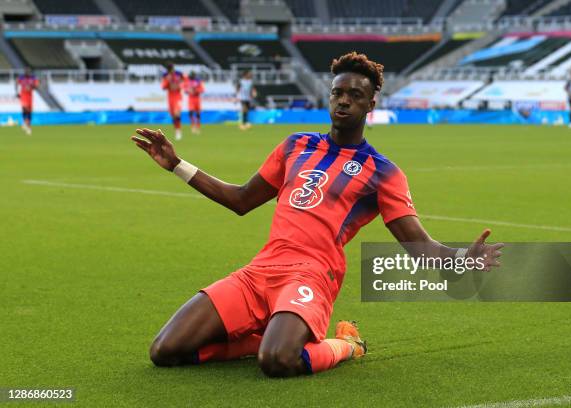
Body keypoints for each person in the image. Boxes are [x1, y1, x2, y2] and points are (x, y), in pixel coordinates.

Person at [131, 52, 503, 378]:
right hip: (262, 269)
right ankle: (258, 339)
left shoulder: (383, 172)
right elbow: (241, 199)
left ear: (370, 105)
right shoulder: (296, 145)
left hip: (312, 274)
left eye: (354, 96)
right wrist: (177, 165)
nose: (343, 102)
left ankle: (346, 345)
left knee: (277, 361)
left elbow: (418, 244)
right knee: (165, 351)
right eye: (337, 93)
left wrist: (461, 259)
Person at [161, 63, 185, 140]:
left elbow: (185, 81)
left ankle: (178, 131)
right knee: (173, 116)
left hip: (178, 96)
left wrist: (181, 85)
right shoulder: (166, 76)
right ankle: (177, 130)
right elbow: (163, 87)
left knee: (177, 113)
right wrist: (168, 81)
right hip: (170, 97)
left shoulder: (179, 74)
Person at [15, 67, 39, 135]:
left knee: (29, 111)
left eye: (29, 71)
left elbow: (37, 86)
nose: (27, 72)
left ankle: (28, 126)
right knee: (24, 108)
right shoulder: (21, 77)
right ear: (25, 72)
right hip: (23, 95)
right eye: (26, 71)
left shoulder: (33, 78)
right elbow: (16, 83)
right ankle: (25, 123)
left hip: (30, 96)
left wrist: (31, 87)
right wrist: (16, 92)